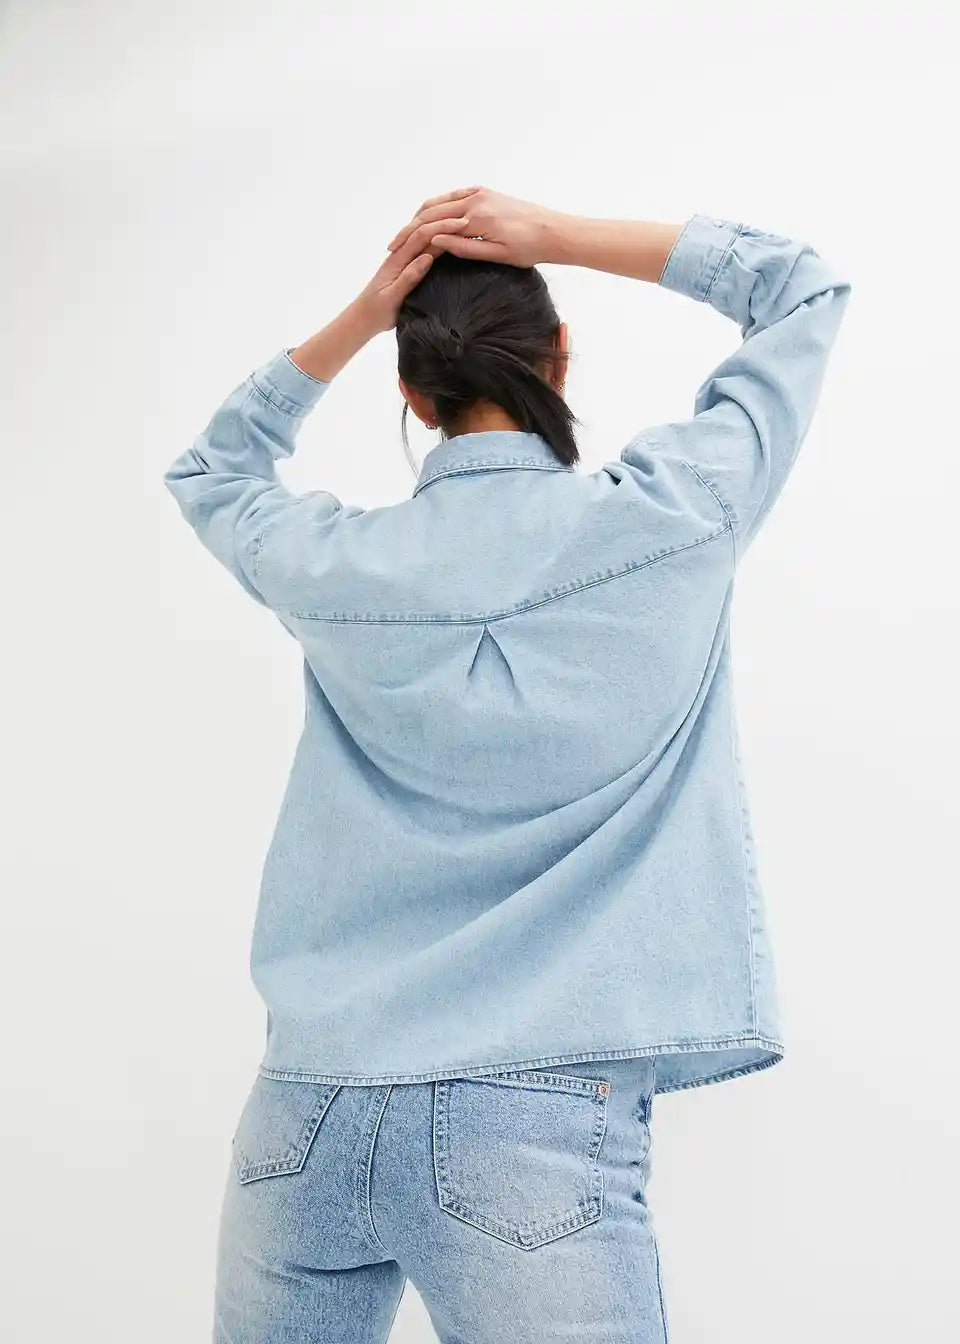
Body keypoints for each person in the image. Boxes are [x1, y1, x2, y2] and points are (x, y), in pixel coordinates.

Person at [163, 187, 852, 1343]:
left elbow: (211, 472)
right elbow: (801, 290)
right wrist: (554, 237)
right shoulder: (669, 518)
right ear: (559, 355)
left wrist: (365, 312)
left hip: (304, 1116)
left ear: (410, 391)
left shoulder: (339, 565)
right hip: (530, 1128)